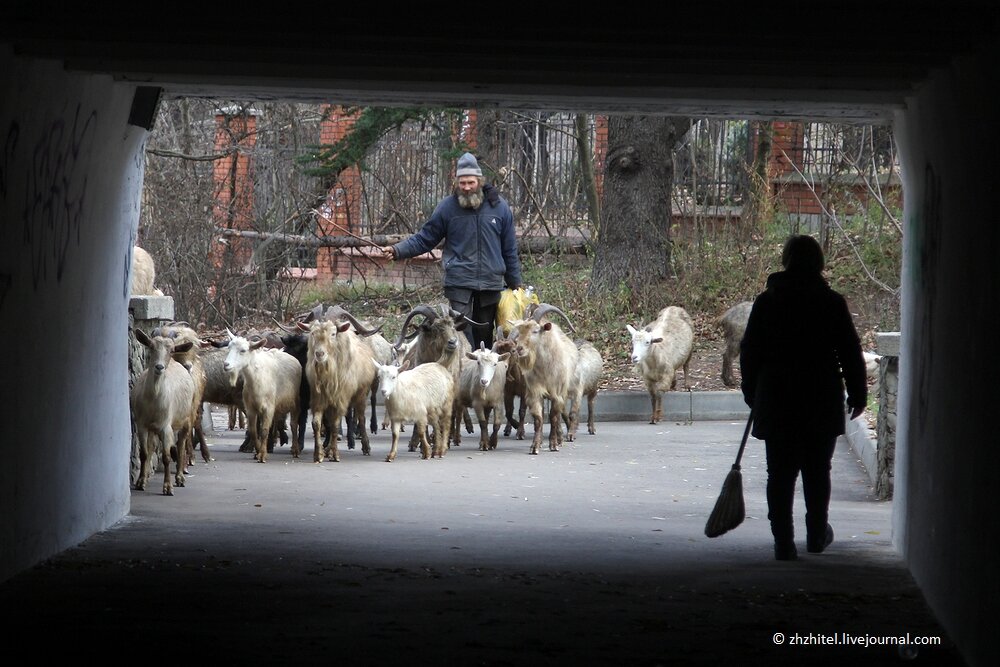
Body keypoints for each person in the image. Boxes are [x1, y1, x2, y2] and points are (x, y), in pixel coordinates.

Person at [739, 234, 868, 561]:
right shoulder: (831, 303)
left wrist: (752, 391)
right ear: (819, 263)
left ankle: (783, 541)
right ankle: (815, 534)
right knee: (817, 470)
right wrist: (858, 392)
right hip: (819, 397)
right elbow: (850, 351)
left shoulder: (767, 302)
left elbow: (750, 351)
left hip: (777, 396)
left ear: (786, 261)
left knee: (779, 474)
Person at [381, 152, 523, 349]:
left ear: (479, 181)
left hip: (490, 281)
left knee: (484, 332)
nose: (466, 187)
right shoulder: (447, 208)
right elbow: (425, 238)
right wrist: (398, 250)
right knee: (461, 333)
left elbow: (509, 248)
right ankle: (463, 373)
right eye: (462, 183)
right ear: (456, 182)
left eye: (470, 182)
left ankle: (483, 374)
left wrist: (515, 283)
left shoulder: (499, 208)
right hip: (459, 281)